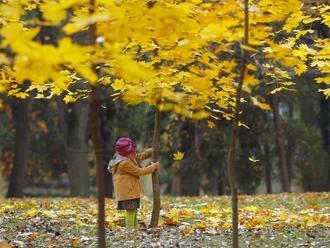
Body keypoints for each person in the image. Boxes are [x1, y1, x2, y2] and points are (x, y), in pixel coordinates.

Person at [108, 137, 160, 229]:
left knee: (134, 209)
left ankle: (134, 227)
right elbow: (139, 172)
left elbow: (139, 156)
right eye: (132, 152)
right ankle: (130, 230)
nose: (134, 154)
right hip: (127, 192)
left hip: (131, 190)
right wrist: (153, 167)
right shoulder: (124, 163)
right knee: (131, 211)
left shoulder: (127, 157)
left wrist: (151, 151)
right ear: (125, 153)